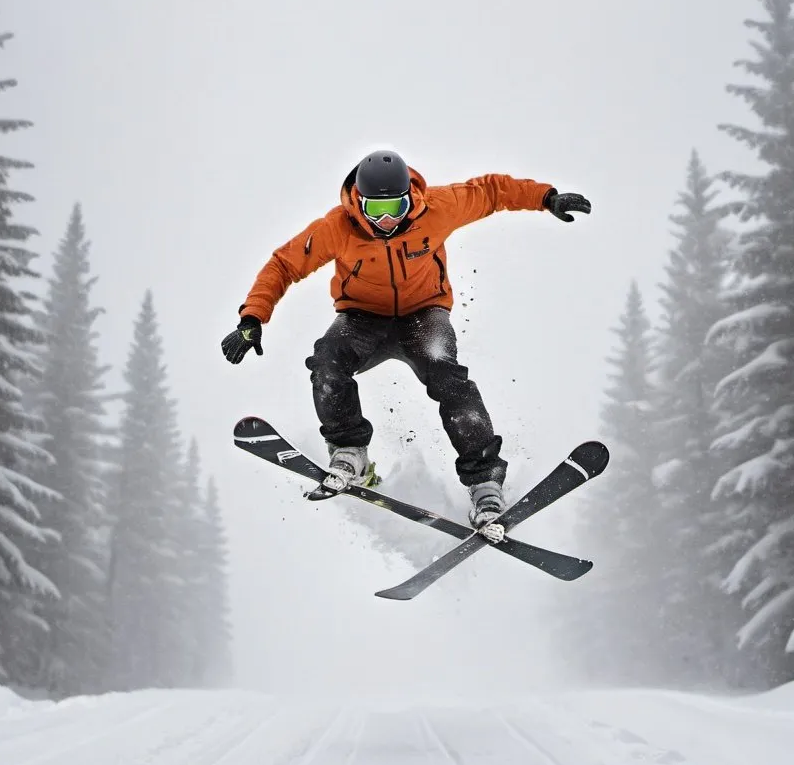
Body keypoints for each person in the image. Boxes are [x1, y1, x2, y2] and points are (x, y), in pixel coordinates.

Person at [221, 150, 590, 530]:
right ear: (357, 201)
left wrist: (546, 197)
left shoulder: (438, 208)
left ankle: (484, 483)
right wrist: (252, 317)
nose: (386, 219)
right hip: (362, 318)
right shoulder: (338, 227)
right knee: (328, 362)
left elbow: (491, 191)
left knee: (447, 376)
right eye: (375, 208)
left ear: (409, 198)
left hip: (423, 315)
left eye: (395, 206)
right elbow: (284, 264)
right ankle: (350, 451)